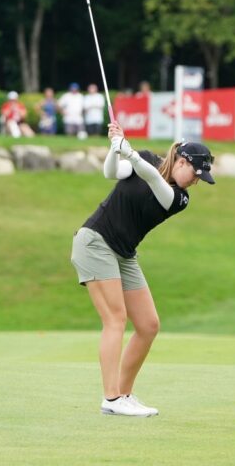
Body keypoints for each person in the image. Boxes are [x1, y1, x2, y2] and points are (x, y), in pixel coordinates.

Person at [70, 122, 215, 417]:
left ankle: (123, 393)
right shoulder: (147, 158)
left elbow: (152, 180)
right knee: (115, 319)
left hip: (124, 253)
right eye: (195, 174)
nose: (195, 182)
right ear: (182, 162)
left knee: (148, 325)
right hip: (96, 242)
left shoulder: (179, 198)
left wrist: (129, 152)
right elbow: (112, 172)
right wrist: (116, 148)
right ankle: (111, 399)